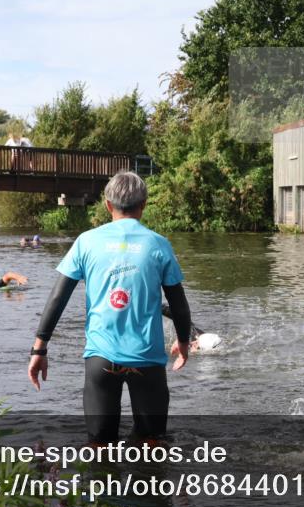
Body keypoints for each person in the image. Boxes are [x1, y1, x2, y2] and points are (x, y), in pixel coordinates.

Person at [27, 171, 193, 444]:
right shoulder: (159, 244)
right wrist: (184, 342)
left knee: (99, 447)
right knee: (153, 445)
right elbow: (178, 303)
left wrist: (39, 348)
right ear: (145, 204)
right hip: (147, 360)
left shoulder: (86, 241)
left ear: (107, 205)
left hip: (101, 359)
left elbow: (58, 298)